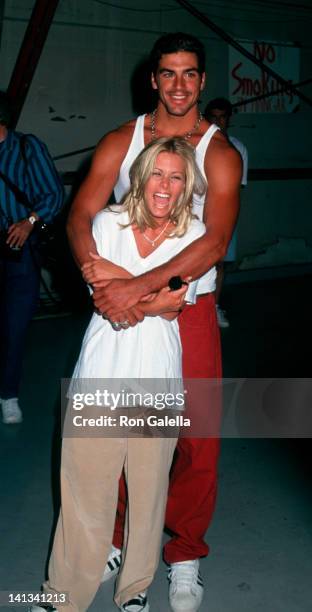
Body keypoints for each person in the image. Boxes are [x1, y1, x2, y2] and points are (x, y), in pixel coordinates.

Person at [67, 32, 242, 612]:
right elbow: (81, 216)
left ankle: (185, 552)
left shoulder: (219, 152)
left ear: (203, 81)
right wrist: (100, 283)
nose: (179, 85)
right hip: (119, 309)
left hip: (185, 311)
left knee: (195, 438)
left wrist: (134, 290)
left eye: (190, 74)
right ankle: (117, 540)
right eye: (168, 73)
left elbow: (214, 241)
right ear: (153, 79)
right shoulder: (122, 140)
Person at [34, 137, 210, 612]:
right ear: (141, 174)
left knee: (149, 493)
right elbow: (98, 284)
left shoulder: (195, 235)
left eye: (176, 177)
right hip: (102, 372)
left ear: (186, 185)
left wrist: (127, 288)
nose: (165, 185)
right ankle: (61, 595)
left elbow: (176, 307)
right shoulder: (108, 222)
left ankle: (133, 590)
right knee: (83, 490)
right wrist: (148, 295)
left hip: (156, 375)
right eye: (158, 173)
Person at [0, 91, 64, 424]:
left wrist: (30, 222)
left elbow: (53, 194)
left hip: (19, 249)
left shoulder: (26, 148)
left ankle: (8, 394)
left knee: (15, 325)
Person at [204, 97, 248, 328]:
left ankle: (214, 307)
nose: (219, 122)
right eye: (214, 117)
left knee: (218, 263)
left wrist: (230, 222)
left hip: (221, 216)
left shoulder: (237, 149)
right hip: (194, 216)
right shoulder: (195, 144)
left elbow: (236, 192)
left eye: (223, 117)